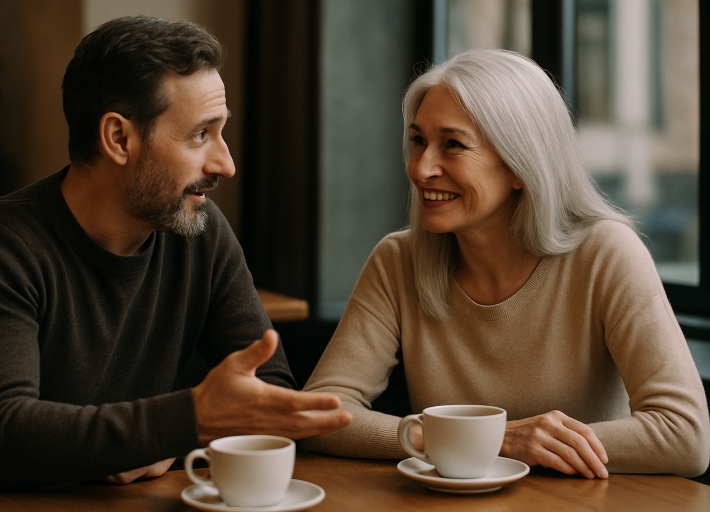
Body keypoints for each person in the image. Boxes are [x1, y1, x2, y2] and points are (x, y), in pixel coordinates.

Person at [0, 16, 350, 491]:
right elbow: (0, 437)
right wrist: (180, 422)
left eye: (222, 133)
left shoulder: (201, 232)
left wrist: (165, 440)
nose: (226, 164)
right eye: (201, 135)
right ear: (119, 139)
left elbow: (270, 399)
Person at [302, 49, 709, 478]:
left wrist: (517, 446)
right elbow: (320, 416)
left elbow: (685, 435)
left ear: (521, 164)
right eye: (418, 140)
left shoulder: (607, 253)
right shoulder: (398, 260)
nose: (421, 168)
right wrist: (492, 440)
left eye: (453, 145)